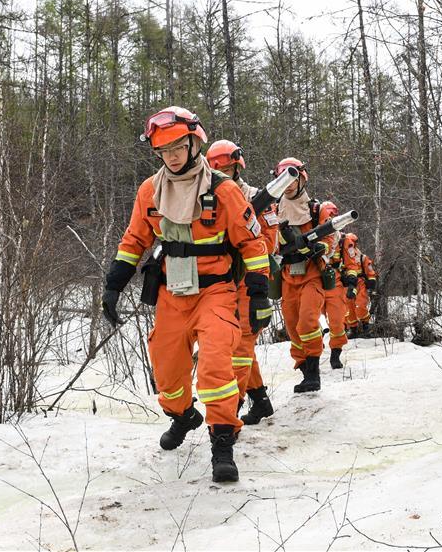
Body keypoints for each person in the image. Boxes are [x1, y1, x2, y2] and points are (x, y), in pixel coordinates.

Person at [101, 107, 272, 483]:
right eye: (164, 150)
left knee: (216, 367)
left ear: (195, 144)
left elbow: (253, 243)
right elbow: (134, 241)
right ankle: (183, 415)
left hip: (216, 291)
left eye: (178, 147)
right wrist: (114, 285)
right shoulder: (150, 191)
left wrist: (259, 293)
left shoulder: (223, 191)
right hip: (172, 293)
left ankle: (222, 444)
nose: (172, 156)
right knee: (166, 370)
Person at [206, 140, 277, 426]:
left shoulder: (259, 199)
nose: (222, 174)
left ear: (237, 168)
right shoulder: (207, 200)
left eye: (226, 169)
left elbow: (269, 244)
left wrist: (242, 235)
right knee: (235, 344)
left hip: (251, 280)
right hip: (221, 281)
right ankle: (260, 400)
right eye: (217, 170)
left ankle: (229, 410)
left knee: (241, 345)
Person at [274, 158, 338, 393]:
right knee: (292, 326)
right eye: (283, 180)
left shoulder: (316, 209)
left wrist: (320, 247)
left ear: (302, 179)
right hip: (288, 275)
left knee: (308, 320)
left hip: (312, 273)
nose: (288, 185)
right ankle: (304, 370)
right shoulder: (274, 210)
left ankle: (314, 373)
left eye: (292, 180)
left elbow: (331, 237)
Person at [321, 212, 350, 369]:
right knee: (312, 322)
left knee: (337, 321)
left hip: (335, 283)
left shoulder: (343, 240)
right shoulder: (312, 236)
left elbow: (352, 264)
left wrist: (351, 280)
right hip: (314, 281)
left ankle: (335, 354)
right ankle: (312, 355)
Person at [344, 235, 377, 338]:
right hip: (348, 284)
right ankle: (353, 329)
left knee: (360, 305)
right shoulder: (342, 256)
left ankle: (366, 325)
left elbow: (370, 270)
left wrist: (371, 280)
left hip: (360, 283)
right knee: (349, 308)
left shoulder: (362, 257)